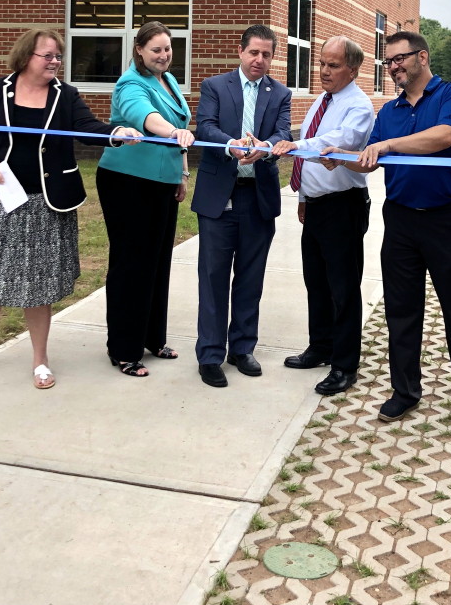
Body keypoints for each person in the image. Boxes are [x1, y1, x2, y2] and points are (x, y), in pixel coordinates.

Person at [329, 30, 451, 429]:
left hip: (447, 220)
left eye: (399, 59)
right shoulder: (390, 112)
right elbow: (369, 161)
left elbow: (445, 137)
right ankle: (404, 392)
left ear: (422, 57)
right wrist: (337, 159)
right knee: (401, 312)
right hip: (401, 221)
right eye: (388, 62)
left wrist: (387, 146)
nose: (394, 67)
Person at [0, 28, 139, 389]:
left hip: (46, 203)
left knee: (38, 284)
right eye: (48, 56)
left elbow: (87, 128)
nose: (56, 62)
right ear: (27, 57)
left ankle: (40, 359)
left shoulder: (66, 96)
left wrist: (116, 132)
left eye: (59, 56)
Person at [273, 36, 374, 395]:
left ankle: (345, 365)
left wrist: (294, 145)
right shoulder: (324, 98)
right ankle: (321, 347)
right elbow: (313, 151)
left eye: (333, 65)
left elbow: (333, 141)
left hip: (343, 206)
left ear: (353, 69)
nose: (324, 71)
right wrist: (303, 196)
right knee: (316, 281)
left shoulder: (358, 107)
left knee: (343, 288)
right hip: (316, 205)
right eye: (322, 63)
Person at [191, 24, 292, 387]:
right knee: (214, 278)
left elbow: (284, 134)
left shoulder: (280, 93)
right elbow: (205, 127)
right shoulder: (215, 86)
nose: (259, 60)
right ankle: (210, 354)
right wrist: (232, 144)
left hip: (257, 199)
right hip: (220, 198)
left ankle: (242, 348)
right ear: (241, 51)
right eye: (254, 52)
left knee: (251, 278)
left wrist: (265, 146)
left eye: (266, 54)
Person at [96, 21, 194, 377]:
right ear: (139, 49)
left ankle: (152, 338)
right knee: (131, 265)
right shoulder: (130, 84)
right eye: (156, 50)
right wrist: (175, 133)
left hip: (162, 183)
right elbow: (147, 118)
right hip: (127, 183)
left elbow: (180, 123)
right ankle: (123, 349)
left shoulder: (167, 81)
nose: (163, 55)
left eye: (167, 49)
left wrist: (181, 174)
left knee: (157, 263)